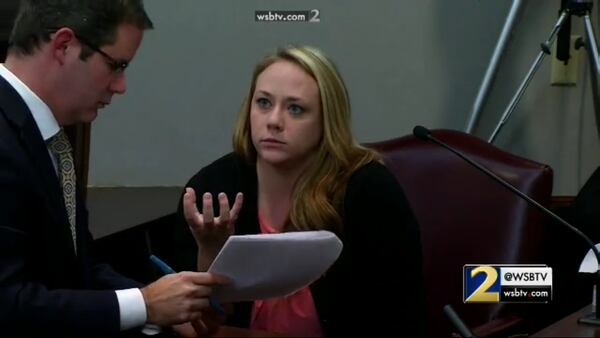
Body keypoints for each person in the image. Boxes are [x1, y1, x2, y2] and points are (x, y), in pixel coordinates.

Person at [0, 1, 225, 337]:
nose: (121, 86)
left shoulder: (49, 138)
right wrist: (145, 304)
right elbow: (7, 304)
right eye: (116, 65)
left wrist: (167, 306)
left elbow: (80, 268)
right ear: (64, 46)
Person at [171, 46, 427, 337]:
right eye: (264, 103)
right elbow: (186, 322)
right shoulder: (213, 188)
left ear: (326, 121)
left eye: (295, 109)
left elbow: (403, 320)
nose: (274, 121)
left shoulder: (368, 192)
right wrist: (211, 255)